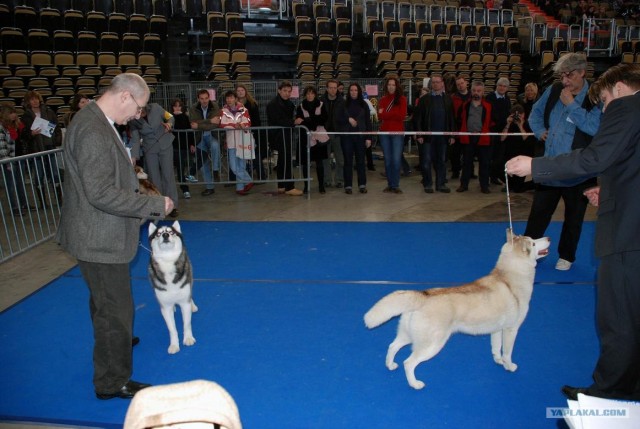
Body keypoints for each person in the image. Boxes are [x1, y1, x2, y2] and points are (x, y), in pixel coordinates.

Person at [506, 62, 640, 402]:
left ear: (620, 88)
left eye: (606, 100)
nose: (606, 108)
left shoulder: (626, 106)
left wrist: (535, 166)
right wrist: (607, 190)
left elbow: (595, 156)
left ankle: (609, 391)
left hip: (629, 232)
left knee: (618, 317)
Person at [55, 73, 173, 400]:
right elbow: (100, 193)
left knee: (106, 304)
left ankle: (113, 343)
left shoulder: (94, 120)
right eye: (139, 108)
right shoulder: (92, 129)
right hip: (99, 236)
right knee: (115, 310)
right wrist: (152, 204)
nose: (137, 115)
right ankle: (111, 381)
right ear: (124, 96)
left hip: (99, 232)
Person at [524, 53, 602, 271]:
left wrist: (571, 105)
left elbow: (593, 128)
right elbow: (534, 114)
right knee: (538, 214)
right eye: (562, 75)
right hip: (550, 166)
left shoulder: (595, 95)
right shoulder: (554, 90)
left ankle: (566, 256)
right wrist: (540, 131)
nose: (565, 80)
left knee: (574, 217)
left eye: (569, 75)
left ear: (582, 73)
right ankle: (531, 254)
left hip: (579, 170)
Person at [129, 102, 179, 218]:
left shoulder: (156, 107)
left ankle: (173, 206)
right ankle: (159, 206)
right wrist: (134, 157)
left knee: (168, 175)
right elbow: (136, 140)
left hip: (166, 144)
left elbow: (170, 116)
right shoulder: (133, 120)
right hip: (150, 149)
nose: (138, 113)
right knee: (154, 178)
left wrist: (169, 124)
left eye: (140, 110)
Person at [414, 73, 457, 193]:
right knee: (426, 162)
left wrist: (452, 135)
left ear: (442, 83)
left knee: (442, 162)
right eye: (433, 82)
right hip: (428, 138)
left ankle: (441, 184)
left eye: (438, 82)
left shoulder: (448, 99)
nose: (435, 84)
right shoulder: (424, 99)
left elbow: (452, 119)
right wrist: (419, 134)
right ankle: (427, 184)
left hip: (443, 138)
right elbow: (418, 119)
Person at [20, 90, 63, 207]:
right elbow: (22, 135)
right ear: (28, 102)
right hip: (36, 149)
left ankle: (59, 200)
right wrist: (31, 134)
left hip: (49, 147)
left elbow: (57, 128)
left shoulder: (49, 112)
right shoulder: (25, 117)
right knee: (39, 176)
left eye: (36, 98)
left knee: (55, 174)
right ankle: (43, 202)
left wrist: (56, 140)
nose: (35, 101)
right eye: (32, 99)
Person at [266, 81, 303, 196]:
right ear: (279, 91)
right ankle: (289, 187)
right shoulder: (273, 104)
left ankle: (281, 186)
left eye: (289, 91)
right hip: (278, 135)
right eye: (284, 91)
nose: (287, 93)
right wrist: (293, 122)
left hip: (285, 134)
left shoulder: (289, 104)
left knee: (282, 161)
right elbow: (278, 120)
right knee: (286, 160)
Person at [456, 80, 493, 194]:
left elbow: (492, 122)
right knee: (466, 163)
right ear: (471, 91)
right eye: (474, 91)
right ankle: (464, 185)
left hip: (483, 138)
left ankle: (484, 186)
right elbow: (459, 119)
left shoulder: (488, 106)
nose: (476, 93)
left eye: (479, 91)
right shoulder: (465, 105)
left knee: (484, 163)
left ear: (483, 92)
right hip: (468, 138)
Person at [218, 90, 255, 196]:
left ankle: (240, 188)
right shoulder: (223, 111)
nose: (229, 100)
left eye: (231, 97)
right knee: (234, 167)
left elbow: (247, 122)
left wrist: (241, 125)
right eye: (227, 98)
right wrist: (236, 125)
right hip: (231, 142)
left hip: (242, 141)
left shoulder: (244, 109)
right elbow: (222, 124)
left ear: (235, 98)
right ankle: (248, 180)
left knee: (241, 166)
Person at [295, 85, 329, 194]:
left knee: (319, 163)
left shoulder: (321, 105)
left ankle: (321, 186)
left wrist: (307, 120)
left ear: (315, 94)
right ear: (305, 95)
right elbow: (299, 121)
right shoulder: (300, 106)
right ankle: (306, 186)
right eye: (308, 93)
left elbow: (324, 119)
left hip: (319, 139)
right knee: (305, 164)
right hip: (305, 139)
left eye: (312, 93)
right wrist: (312, 120)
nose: (310, 95)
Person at [377, 74, 408, 194]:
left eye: (393, 85)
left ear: (397, 86)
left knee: (396, 160)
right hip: (384, 133)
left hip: (397, 133)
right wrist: (393, 113)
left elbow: (401, 116)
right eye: (389, 85)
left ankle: (395, 185)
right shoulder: (382, 100)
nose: (391, 87)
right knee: (388, 160)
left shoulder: (402, 99)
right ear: (386, 86)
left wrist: (387, 113)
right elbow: (380, 116)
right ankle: (390, 184)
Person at [341, 83, 372, 194]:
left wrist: (369, 137)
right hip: (347, 137)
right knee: (348, 162)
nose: (353, 92)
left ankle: (362, 185)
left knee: (360, 162)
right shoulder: (344, 104)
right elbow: (339, 119)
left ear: (359, 92)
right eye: (351, 90)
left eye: (355, 90)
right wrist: (348, 119)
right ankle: (348, 185)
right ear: (348, 92)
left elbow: (368, 122)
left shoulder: (364, 104)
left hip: (360, 137)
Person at [189, 89, 221, 197]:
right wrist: (209, 121)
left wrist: (200, 125)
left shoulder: (215, 106)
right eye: (202, 99)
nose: (204, 101)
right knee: (203, 164)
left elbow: (216, 124)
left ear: (209, 98)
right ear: (198, 99)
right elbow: (193, 123)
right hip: (199, 139)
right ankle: (209, 187)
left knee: (215, 146)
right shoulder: (193, 108)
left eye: (206, 98)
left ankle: (216, 170)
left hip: (211, 135)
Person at [0, 105, 30, 215]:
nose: (14, 114)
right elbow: (2, 145)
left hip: (19, 156)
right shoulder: (1, 127)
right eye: (11, 113)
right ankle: (14, 207)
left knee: (20, 182)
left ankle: (23, 204)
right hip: (9, 159)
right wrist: (7, 161)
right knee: (11, 184)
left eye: (14, 112)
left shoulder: (17, 125)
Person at [236, 83, 266, 180]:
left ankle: (261, 176)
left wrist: (249, 128)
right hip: (239, 133)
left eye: (242, 90)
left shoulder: (252, 103)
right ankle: (244, 176)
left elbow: (256, 120)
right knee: (241, 154)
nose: (240, 92)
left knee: (255, 154)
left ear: (245, 92)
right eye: (238, 91)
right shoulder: (234, 105)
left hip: (252, 132)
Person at [500, 104, 532, 193]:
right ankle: (510, 184)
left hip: (522, 154)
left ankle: (533, 184)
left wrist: (520, 125)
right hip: (509, 153)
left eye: (519, 114)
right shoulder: (508, 123)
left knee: (517, 189)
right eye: (515, 115)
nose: (517, 117)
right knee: (496, 167)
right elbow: (502, 138)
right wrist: (508, 123)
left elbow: (527, 140)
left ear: (523, 115)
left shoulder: (527, 124)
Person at [486, 77, 512, 186]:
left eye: (504, 86)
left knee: (499, 157)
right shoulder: (489, 97)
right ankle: (485, 179)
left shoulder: (507, 99)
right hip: (491, 131)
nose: (502, 88)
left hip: (503, 132)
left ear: (507, 88)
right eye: (500, 85)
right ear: (496, 86)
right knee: (488, 157)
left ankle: (494, 177)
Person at [321, 80, 347, 189]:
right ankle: (326, 180)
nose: (333, 90)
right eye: (330, 87)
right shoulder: (321, 101)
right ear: (327, 89)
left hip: (338, 134)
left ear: (337, 89)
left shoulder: (343, 101)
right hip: (324, 134)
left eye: (335, 88)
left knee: (340, 159)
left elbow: (346, 117)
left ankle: (339, 180)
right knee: (325, 159)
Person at [170, 98, 196, 200]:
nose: (177, 108)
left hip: (182, 147)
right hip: (171, 146)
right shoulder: (168, 117)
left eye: (179, 106)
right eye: (175, 106)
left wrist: (192, 144)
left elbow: (188, 130)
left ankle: (185, 189)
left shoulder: (185, 117)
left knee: (181, 168)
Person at [450, 74, 471, 179]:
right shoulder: (453, 98)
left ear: (466, 83)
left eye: (462, 83)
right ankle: (455, 171)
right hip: (457, 128)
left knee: (469, 152)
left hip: (470, 128)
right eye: (458, 84)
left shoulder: (473, 96)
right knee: (455, 153)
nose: (460, 86)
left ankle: (470, 172)